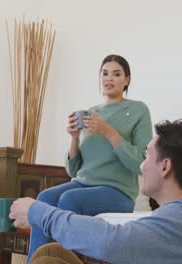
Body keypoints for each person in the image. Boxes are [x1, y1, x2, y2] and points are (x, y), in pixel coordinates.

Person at [10, 120, 182, 264]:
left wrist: (38, 212)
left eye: (147, 156)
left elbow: (110, 240)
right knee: (52, 254)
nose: (141, 166)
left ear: (165, 167)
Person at [26, 54, 153, 261]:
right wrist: (74, 138)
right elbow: (74, 171)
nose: (108, 78)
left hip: (118, 192)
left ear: (127, 80)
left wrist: (108, 131)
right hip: (83, 183)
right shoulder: (91, 112)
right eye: (104, 73)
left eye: (116, 74)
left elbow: (141, 163)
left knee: (69, 200)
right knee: (44, 199)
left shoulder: (138, 110)